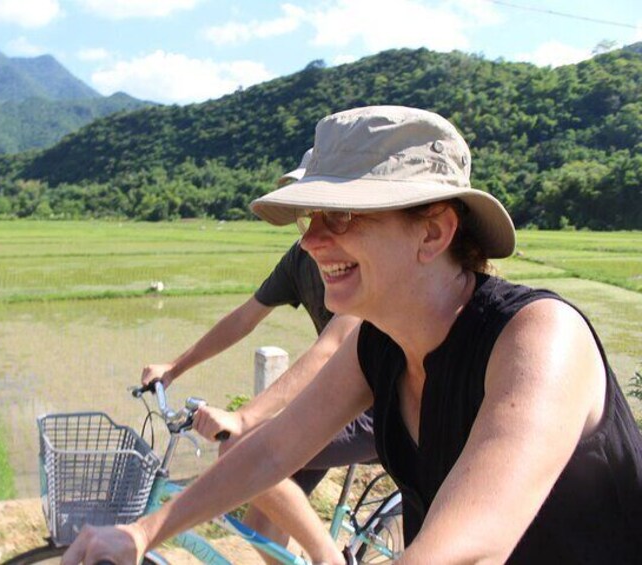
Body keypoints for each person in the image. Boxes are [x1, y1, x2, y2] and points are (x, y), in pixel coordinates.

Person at [64, 106, 642, 564]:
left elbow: (470, 547)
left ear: (434, 232)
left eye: (340, 216)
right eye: (309, 217)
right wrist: (140, 534)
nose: (312, 240)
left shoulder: (538, 338)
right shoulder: (378, 342)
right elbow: (270, 450)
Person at [141, 147, 376, 561]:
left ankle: (329, 559)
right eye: (307, 208)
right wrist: (175, 368)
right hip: (334, 396)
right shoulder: (302, 257)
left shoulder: (366, 261)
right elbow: (244, 317)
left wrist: (246, 418)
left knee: (242, 447)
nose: (315, 229)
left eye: (331, 211)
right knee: (258, 524)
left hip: (375, 404)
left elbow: (332, 347)